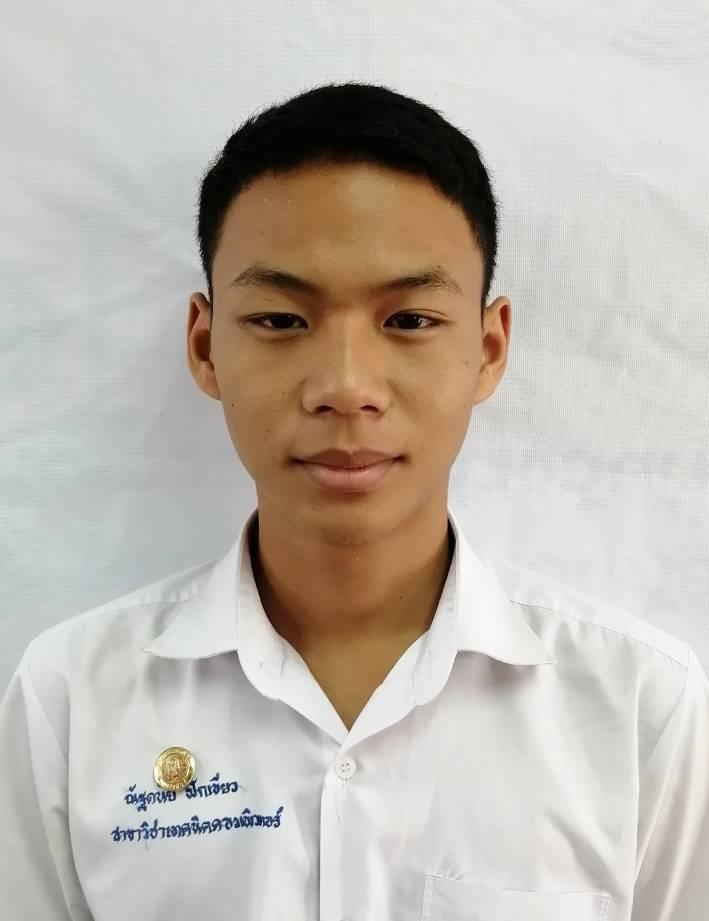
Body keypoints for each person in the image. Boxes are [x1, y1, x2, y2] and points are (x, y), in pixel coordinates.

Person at [1, 81, 707, 921]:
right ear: (204, 345)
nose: (344, 386)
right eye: (279, 319)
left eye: (407, 320)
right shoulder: (71, 699)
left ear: (488, 348)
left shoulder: (639, 706)